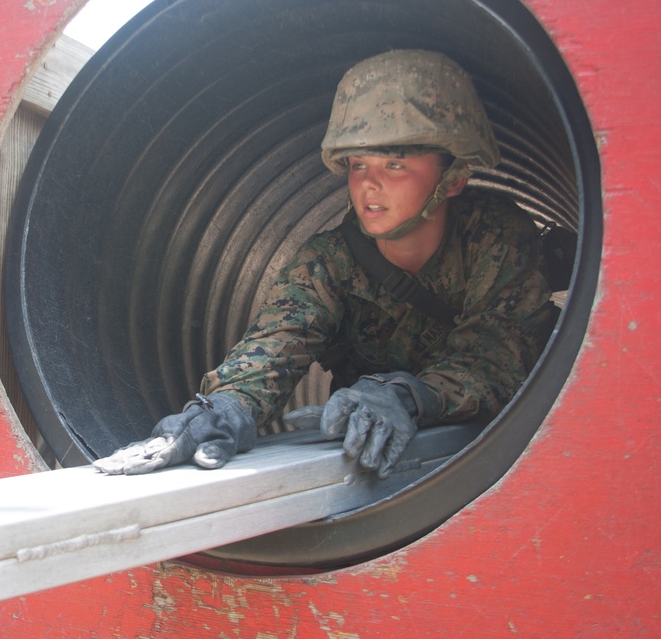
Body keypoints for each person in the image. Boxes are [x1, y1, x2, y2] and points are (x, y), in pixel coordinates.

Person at [93, 49, 558, 479]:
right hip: (367, 457)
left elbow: (500, 355)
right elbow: (276, 345)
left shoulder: (494, 238)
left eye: (395, 165)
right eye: (358, 165)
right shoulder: (329, 261)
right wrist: (223, 409)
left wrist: (406, 396)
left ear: (452, 180)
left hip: (506, 453)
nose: (369, 186)